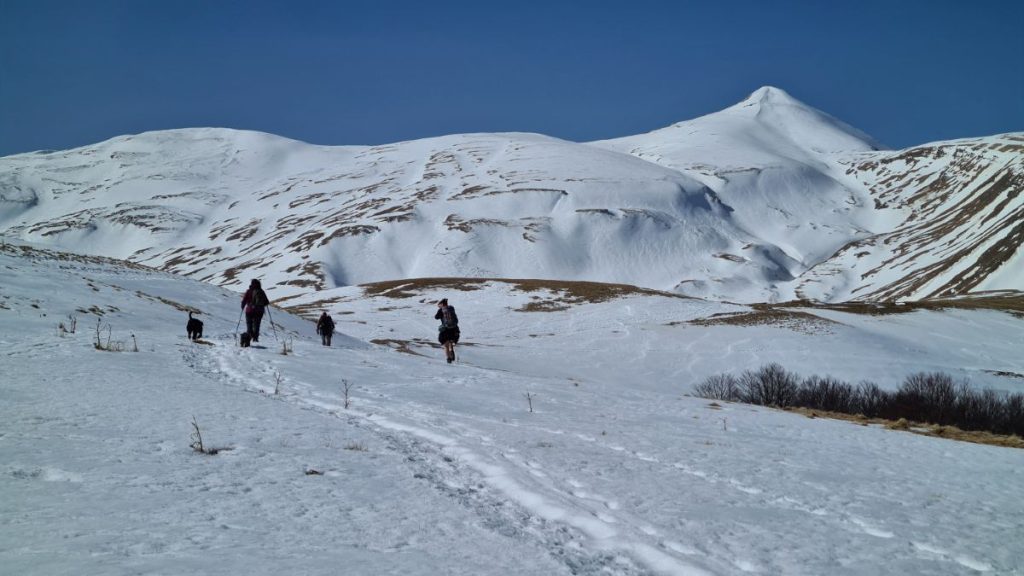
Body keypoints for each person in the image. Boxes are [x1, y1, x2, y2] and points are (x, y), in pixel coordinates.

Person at [241, 279, 269, 343]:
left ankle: (248, 338)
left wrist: (243, 306)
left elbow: (244, 300)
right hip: (259, 311)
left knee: (249, 325)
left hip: (249, 310)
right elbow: (267, 302)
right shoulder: (261, 291)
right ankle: (255, 338)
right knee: (257, 325)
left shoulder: (248, 291)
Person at [434, 298, 460, 363]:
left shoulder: (441, 310)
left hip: (445, 329)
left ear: (442, 304)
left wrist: (440, 311)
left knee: (446, 345)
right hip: (454, 328)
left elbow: (436, 317)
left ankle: (448, 358)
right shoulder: (451, 308)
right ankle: (451, 350)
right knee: (451, 340)